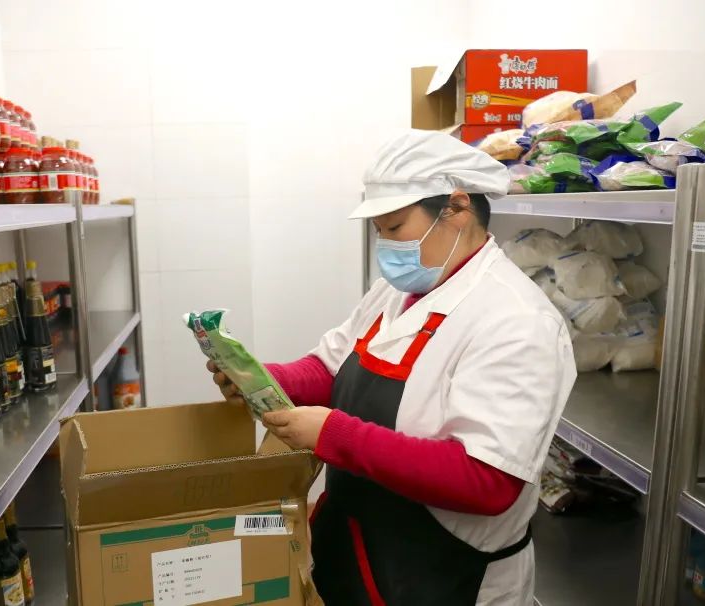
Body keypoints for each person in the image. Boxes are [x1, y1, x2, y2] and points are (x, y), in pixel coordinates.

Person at [208, 130, 576, 605]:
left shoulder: (516, 321)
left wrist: (334, 435)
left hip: (449, 576)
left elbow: (487, 482)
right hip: (360, 549)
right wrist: (263, 379)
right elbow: (332, 367)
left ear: (456, 208)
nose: (385, 245)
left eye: (395, 227)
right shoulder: (400, 290)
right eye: (378, 230)